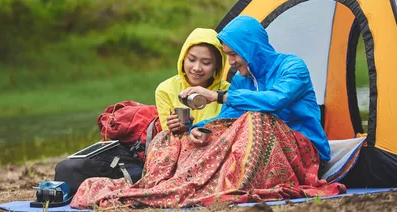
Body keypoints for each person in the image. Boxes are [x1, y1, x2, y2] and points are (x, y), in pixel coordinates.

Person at [71, 15, 345, 209]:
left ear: (251, 49)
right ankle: (182, 183)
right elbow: (227, 116)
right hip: (261, 148)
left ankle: (225, 182)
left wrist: (216, 94)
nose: (231, 62)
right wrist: (198, 130)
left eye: (234, 55)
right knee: (176, 137)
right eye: (226, 55)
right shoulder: (241, 80)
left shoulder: (292, 67)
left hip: (303, 148)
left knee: (258, 119)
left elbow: (274, 101)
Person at [155, 28, 229, 134]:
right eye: (191, 59)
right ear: (183, 58)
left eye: (206, 62)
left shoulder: (227, 92)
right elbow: (166, 136)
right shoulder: (165, 90)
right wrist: (175, 129)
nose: (197, 68)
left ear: (218, 65)